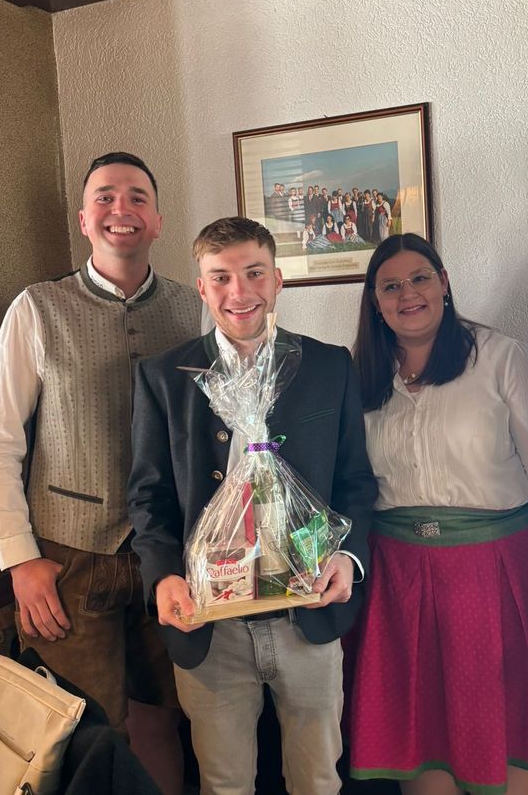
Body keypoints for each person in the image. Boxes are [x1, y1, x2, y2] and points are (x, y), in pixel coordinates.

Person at [0, 152, 204, 795]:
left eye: (135, 197)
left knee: (168, 718)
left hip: (173, 554)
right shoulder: (36, 309)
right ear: (83, 218)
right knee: (82, 733)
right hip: (68, 560)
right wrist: (20, 558)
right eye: (104, 197)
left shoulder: (195, 309)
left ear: (156, 220)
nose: (119, 210)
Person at [127, 217, 377, 795]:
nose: (239, 293)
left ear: (278, 280)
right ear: (201, 287)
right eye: (221, 278)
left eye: (253, 273)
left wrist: (348, 559)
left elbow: (356, 483)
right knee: (223, 782)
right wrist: (163, 576)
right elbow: (150, 496)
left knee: (318, 778)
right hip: (209, 623)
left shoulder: (328, 366)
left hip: (308, 613)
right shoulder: (165, 377)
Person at [346, 234, 528, 795]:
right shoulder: (360, 375)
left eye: (420, 279)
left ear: (444, 283)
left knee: (506, 751)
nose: (407, 294)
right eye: (390, 286)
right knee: (422, 748)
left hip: (496, 574)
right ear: (374, 301)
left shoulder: (504, 358)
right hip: (399, 580)